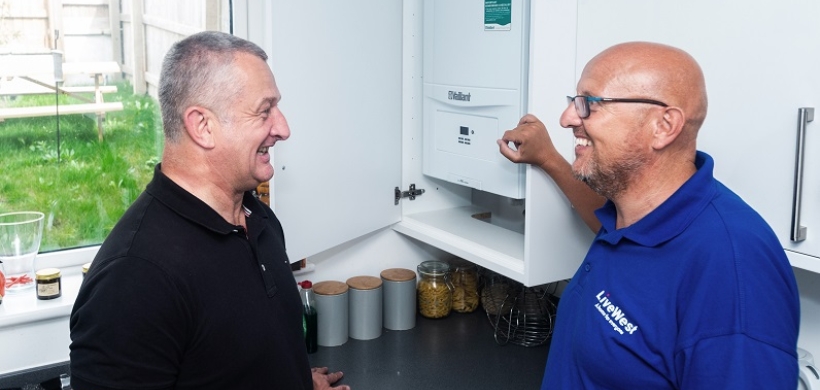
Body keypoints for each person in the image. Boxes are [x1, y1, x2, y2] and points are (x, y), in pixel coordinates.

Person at [498, 42, 800, 389]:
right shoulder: (632, 215)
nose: (567, 119)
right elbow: (624, 242)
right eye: (573, 102)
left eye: (589, 103)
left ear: (663, 125)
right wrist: (550, 158)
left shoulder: (734, 269)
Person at [69, 31, 349, 390]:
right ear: (203, 126)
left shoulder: (256, 218)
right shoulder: (133, 280)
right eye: (265, 111)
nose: (283, 129)